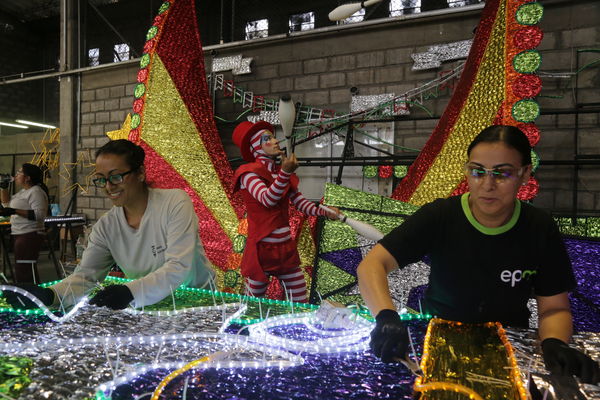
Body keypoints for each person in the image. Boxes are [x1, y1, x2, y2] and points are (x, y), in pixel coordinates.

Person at [357, 125, 600, 384]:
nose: (487, 185)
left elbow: (554, 309)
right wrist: (385, 316)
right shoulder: (440, 216)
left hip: (508, 348)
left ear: (525, 174)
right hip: (436, 342)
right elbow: (372, 265)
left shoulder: (539, 228)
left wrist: (554, 343)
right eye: (477, 172)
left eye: (502, 173)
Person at [2, 139, 214, 310]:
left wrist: (131, 292)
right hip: (149, 308)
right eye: (102, 179)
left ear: (140, 173)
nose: (109, 186)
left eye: (116, 177)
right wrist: (50, 296)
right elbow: (86, 276)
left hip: (197, 303)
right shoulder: (107, 226)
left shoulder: (174, 202)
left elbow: (179, 267)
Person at [232, 121, 338, 302]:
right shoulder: (248, 174)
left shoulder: (279, 173)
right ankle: (243, 329)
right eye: (267, 139)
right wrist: (285, 173)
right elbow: (268, 199)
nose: (274, 141)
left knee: (299, 300)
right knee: (252, 304)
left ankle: (295, 329)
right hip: (262, 251)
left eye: (273, 137)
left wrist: (324, 211)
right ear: (256, 146)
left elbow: (300, 203)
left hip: (285, 249)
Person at [0, 163, 49, 283]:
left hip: (30, 234)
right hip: (20, 233)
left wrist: (15, 211)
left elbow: (39, 215)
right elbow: (6, 204)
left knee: (24, 268)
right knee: (22, 267)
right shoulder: (23, 192)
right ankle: (28, 294)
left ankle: (28, 296)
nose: (16, 175)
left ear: (28, 178)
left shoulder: (36, 192)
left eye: (19, 173)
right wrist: (3, 188)